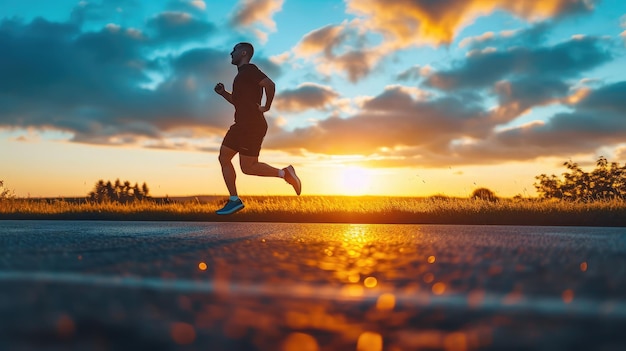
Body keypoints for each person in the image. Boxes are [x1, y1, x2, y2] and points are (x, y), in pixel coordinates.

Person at [213, 42, 301, 215]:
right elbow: (237, 102)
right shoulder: (240, 76)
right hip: (240, 125)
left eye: (235, 50)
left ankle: (285, 173)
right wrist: (224, 93)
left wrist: (267, 106)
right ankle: (234, 200)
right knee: (224, 158)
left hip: (252, 125)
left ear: (244, 53)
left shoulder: (249, 70)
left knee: (248, 167)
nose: (231, 53)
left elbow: (270, 84)